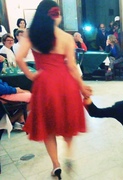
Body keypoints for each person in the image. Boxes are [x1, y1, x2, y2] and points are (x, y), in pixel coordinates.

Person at [15, 0, 92, 179]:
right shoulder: (66, 37)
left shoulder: (31, 34)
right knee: (66, 120)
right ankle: (70, 153)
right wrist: (82, 87)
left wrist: (30, 75)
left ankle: (56, 165)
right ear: (56, 15)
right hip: (65, 82)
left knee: (48, 125)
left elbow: (19, 58)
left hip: (45, 83)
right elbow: (72, 67)